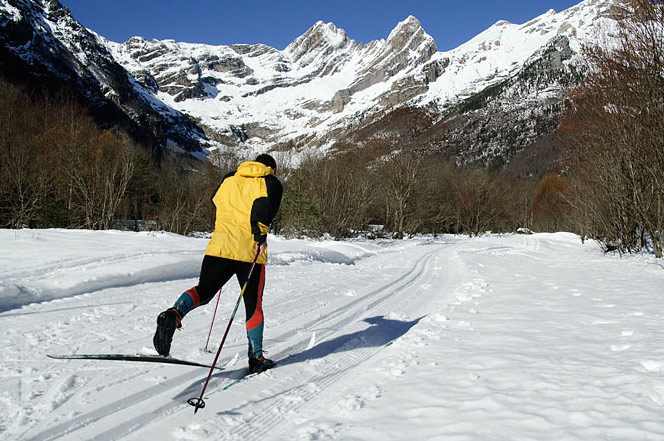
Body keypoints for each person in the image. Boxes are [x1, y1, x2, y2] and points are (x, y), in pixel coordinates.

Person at [153, 153, 283, 374]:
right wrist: (260, 237)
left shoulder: (229, 178)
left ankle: (174, 314)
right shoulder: (270, 182)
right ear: (271, 167)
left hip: (219, 246)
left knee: (203, 291)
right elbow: (261, 210)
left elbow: (216, 199)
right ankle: (256, 357)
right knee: (253, 303)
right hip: (249, 250)